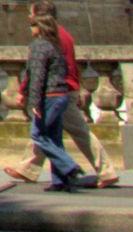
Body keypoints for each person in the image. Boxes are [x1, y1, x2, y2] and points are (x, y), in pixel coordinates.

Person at [8, 0, 118, 187]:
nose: (29, 17)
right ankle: (29, 168)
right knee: (48, 131)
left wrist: (24, 91)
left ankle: (102, 170)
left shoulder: (49, 38)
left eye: (31, 14)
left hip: (58, 91)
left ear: (38, 16)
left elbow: (38, 70)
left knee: (58, 132)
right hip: (65, 89)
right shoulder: (62, 34)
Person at [18, 12, 90, 191]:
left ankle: (69, 166)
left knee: (38, 135)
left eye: (32, 25)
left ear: (39, 28)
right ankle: (60, 181)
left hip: (48, 97)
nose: (30, 28)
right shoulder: (56, 45)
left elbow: (37, 75)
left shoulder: (39, 46)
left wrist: (34, 102)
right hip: (61, 95)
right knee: (55, 138)